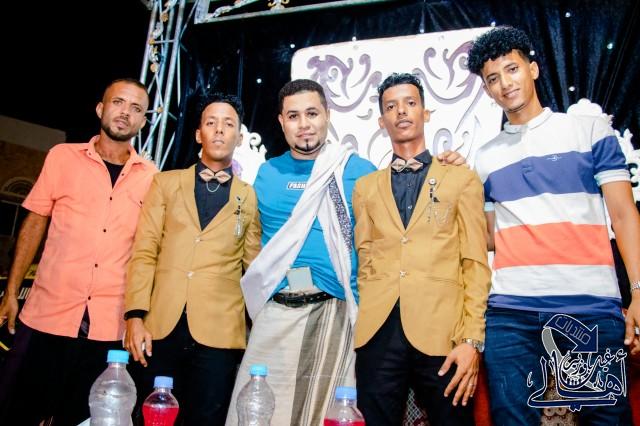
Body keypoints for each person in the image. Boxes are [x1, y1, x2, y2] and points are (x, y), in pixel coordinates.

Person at [467, 26, 640, 424]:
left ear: (533, 69)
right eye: (492, 78)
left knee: (605, 419)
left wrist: (637, 290)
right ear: (488, 90)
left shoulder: (588, 131)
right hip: (511, 312)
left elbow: (624, 215)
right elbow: (489, 238)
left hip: (587, 306)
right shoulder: (486, 157)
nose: (504, 83)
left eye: (512, 69)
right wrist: (452, 183)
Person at [0, 78, 157, 425]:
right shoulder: (62, 157)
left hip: (108, 327)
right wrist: (11, 292)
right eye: (118, 103)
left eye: (136, 109)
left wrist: (139, 317)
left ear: (143, 121)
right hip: (47, 314)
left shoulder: (151, 177)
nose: (125, 113)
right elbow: (35, 222)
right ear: (101, 109)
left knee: (84, 418)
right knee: (19, 411)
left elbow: (149, 251)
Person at [222, 78, 376, 425]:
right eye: (293, 116)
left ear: (327, 115)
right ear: (281, 122)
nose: (304, 124)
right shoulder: (267, 174)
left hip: (334, 311)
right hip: (274, 311)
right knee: (253, 411)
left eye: (312, 113)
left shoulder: (358, 171)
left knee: (320, 416)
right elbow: (250, 242)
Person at [351, 73, 491, 426]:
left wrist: (471, 339)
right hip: (379, 332)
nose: (401, 111)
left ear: (425, 113)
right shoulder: (365, 187)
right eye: (391, 106)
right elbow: (364, 256)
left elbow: (475, 262)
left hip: (443, 332)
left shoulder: (461, 178)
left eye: (410, 103)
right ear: (382, 121)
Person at [124, 92, 261, 425]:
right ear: (199, 134)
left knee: (207, 418)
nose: (219, 130)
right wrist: (135, 317)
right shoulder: (165, 183)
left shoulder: (249, 196)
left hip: (219, 332)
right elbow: (145, 251)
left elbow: (254, 268)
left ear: (239, 138)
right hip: (160, 326)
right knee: (152, 416)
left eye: (228, 124)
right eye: (211, 122)